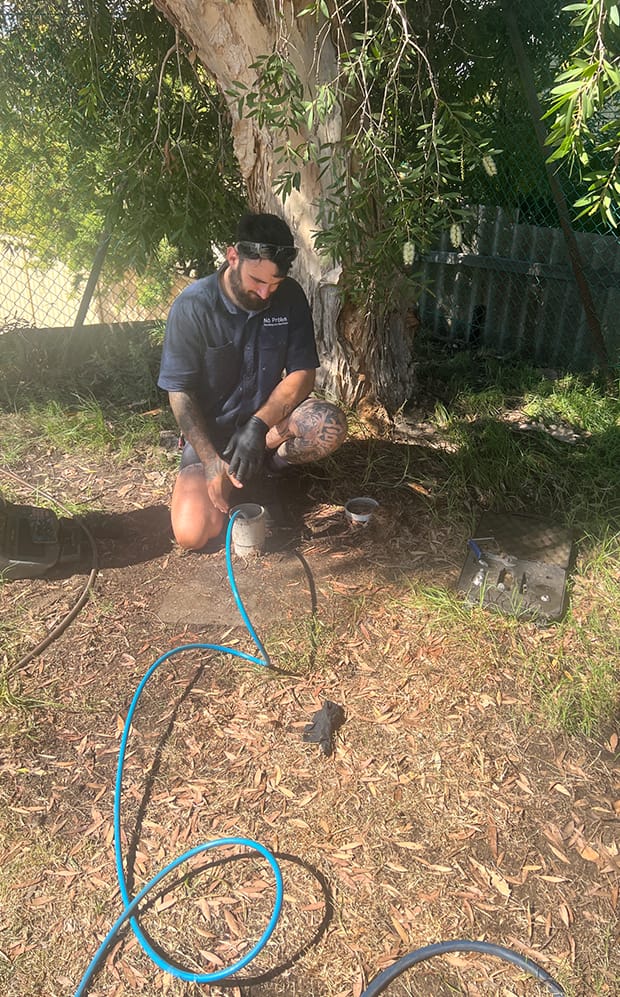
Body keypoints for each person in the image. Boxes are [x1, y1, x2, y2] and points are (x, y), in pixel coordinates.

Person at [158, 212, 347, 549]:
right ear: (233, 257)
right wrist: (210, 461)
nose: (264, 293)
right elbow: (180, 393)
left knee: (327, 424)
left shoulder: (289, 296)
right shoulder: (193, 307)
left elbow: (303, 375)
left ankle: (271, 473)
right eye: (257, 281)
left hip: (268, 430)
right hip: (213, 442)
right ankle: (230, 474)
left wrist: (258, 426)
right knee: (192, 534)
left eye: (274, 283)